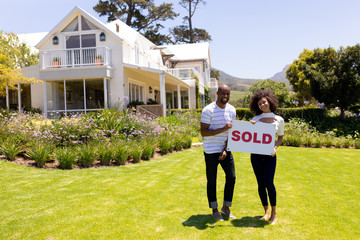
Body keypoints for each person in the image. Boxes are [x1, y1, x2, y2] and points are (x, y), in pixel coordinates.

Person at [200, 84, 237, 221]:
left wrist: (225, 149)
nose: (225, 96)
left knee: (232, 177)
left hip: (225, 149)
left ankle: (225, 207)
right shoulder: (208, 110)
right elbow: (203, 132)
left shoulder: (232, 110)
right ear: (217, 93)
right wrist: (222, 129)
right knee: (212, 180)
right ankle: (214, 210)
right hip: (210, 150)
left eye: (228, 94)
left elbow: (232, 133)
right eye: (223, 93)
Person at [248, 89, 284, 224]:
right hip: (256, 156)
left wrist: (274, 148)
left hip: (270, 156)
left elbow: (280, 137)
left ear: (269, 101)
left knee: (269, 182)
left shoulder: (279, 119)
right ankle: (266, 211)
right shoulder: (255, 119)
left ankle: (274, 213)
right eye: (259, 104)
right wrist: (250, 127)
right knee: (261, 184)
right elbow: (249, 136)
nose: (262, 105)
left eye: (264, 102)